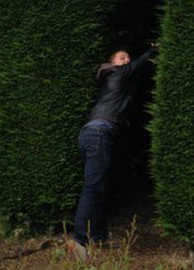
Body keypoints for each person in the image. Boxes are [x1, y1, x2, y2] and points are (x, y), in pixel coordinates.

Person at [67, 42, 159, 261]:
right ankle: (79, 242)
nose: (126, 61)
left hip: (96, 133)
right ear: (113, 63)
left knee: (100, 188)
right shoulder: (117, 74)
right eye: (122, 58)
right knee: (93, 188)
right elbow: (136, 66)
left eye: (128, 57)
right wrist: (152, 51)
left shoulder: (116, 79)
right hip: (98, 133)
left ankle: (97, 238)